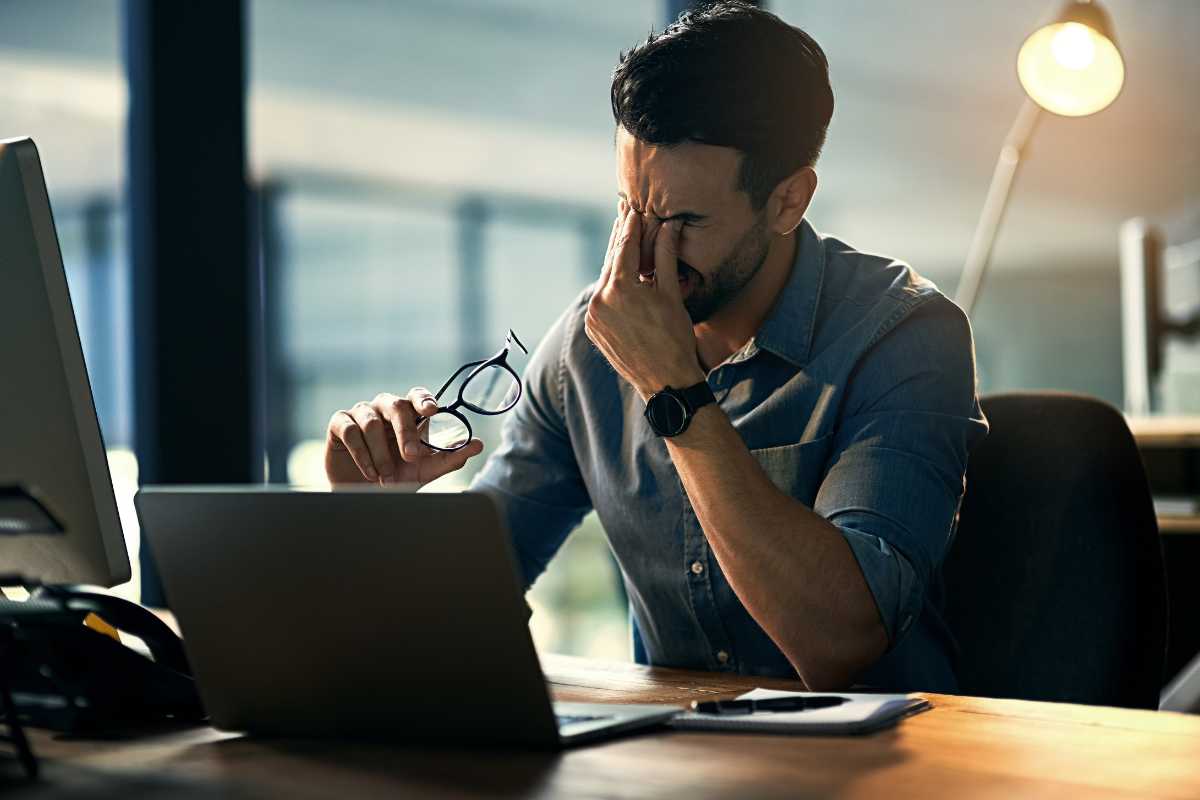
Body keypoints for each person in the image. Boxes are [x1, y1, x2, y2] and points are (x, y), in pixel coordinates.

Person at [323, 1, 988, 692]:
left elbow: (841, 640)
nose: (643, 256)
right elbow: (460, 613)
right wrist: (377, 518)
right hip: (671, 764)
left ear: (788, 201)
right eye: (628, 209)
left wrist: (676, 393)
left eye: (683, 221)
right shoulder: (585, 349)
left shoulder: (906, 336)